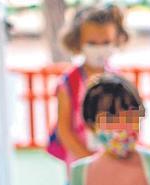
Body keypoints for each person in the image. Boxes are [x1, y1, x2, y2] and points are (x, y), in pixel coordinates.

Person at [48, 4, 129, 171]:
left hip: (115, 161)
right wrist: (90, 160)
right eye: (92, 43)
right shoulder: (68, 83)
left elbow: (129, 122)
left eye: (106, 42)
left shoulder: (120, 81)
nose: (99, 48)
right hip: (80, 163)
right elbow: (64, 129)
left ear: (117, 39)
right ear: (77, 41)